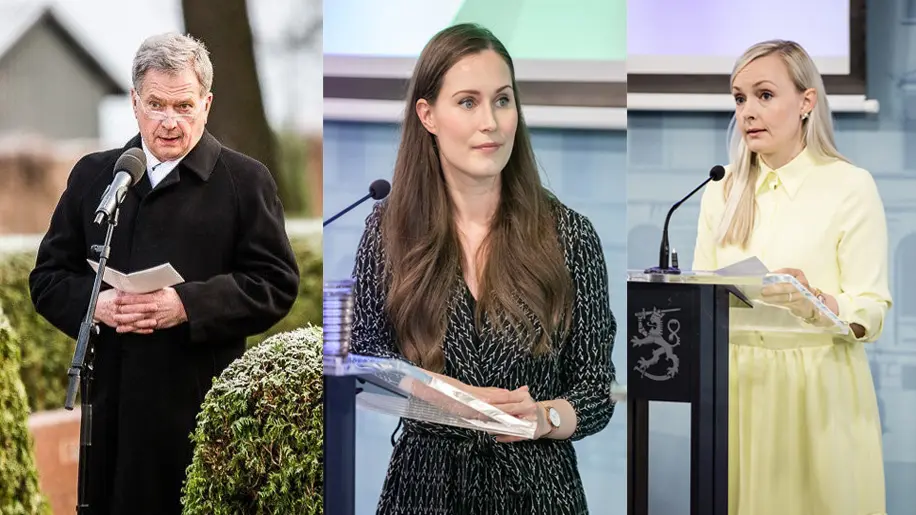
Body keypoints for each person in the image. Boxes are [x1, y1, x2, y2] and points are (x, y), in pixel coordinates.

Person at [349, 23, 616, 515]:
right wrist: (449, 396)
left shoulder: (571, 235)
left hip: (540, 490)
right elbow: (365, 354)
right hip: (423, 488)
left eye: (503, 100)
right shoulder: (388, 230)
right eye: (468, 102)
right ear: (428, 115)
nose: (491, 122)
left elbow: (596, 389)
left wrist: (544, 416)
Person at [29, 33, 299, 514]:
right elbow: (48, 276)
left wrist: (186, 305)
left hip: (197, 411)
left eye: (184, 105)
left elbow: (276, 283)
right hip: (108, 409)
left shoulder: (244, 181)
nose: (169, 121)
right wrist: (97, 305)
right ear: (134, 102)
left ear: (207, 104)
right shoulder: (95, 177)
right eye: (155, 104)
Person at [693, 40, 890, 515]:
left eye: (764, 95)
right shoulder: (720, 190)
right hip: (736, 392)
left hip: (818, 394)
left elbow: (872, 307)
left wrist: (818, 300)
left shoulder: (850, 185)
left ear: (806, 103)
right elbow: (697, 295)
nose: (748, 112)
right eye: (740, 98)